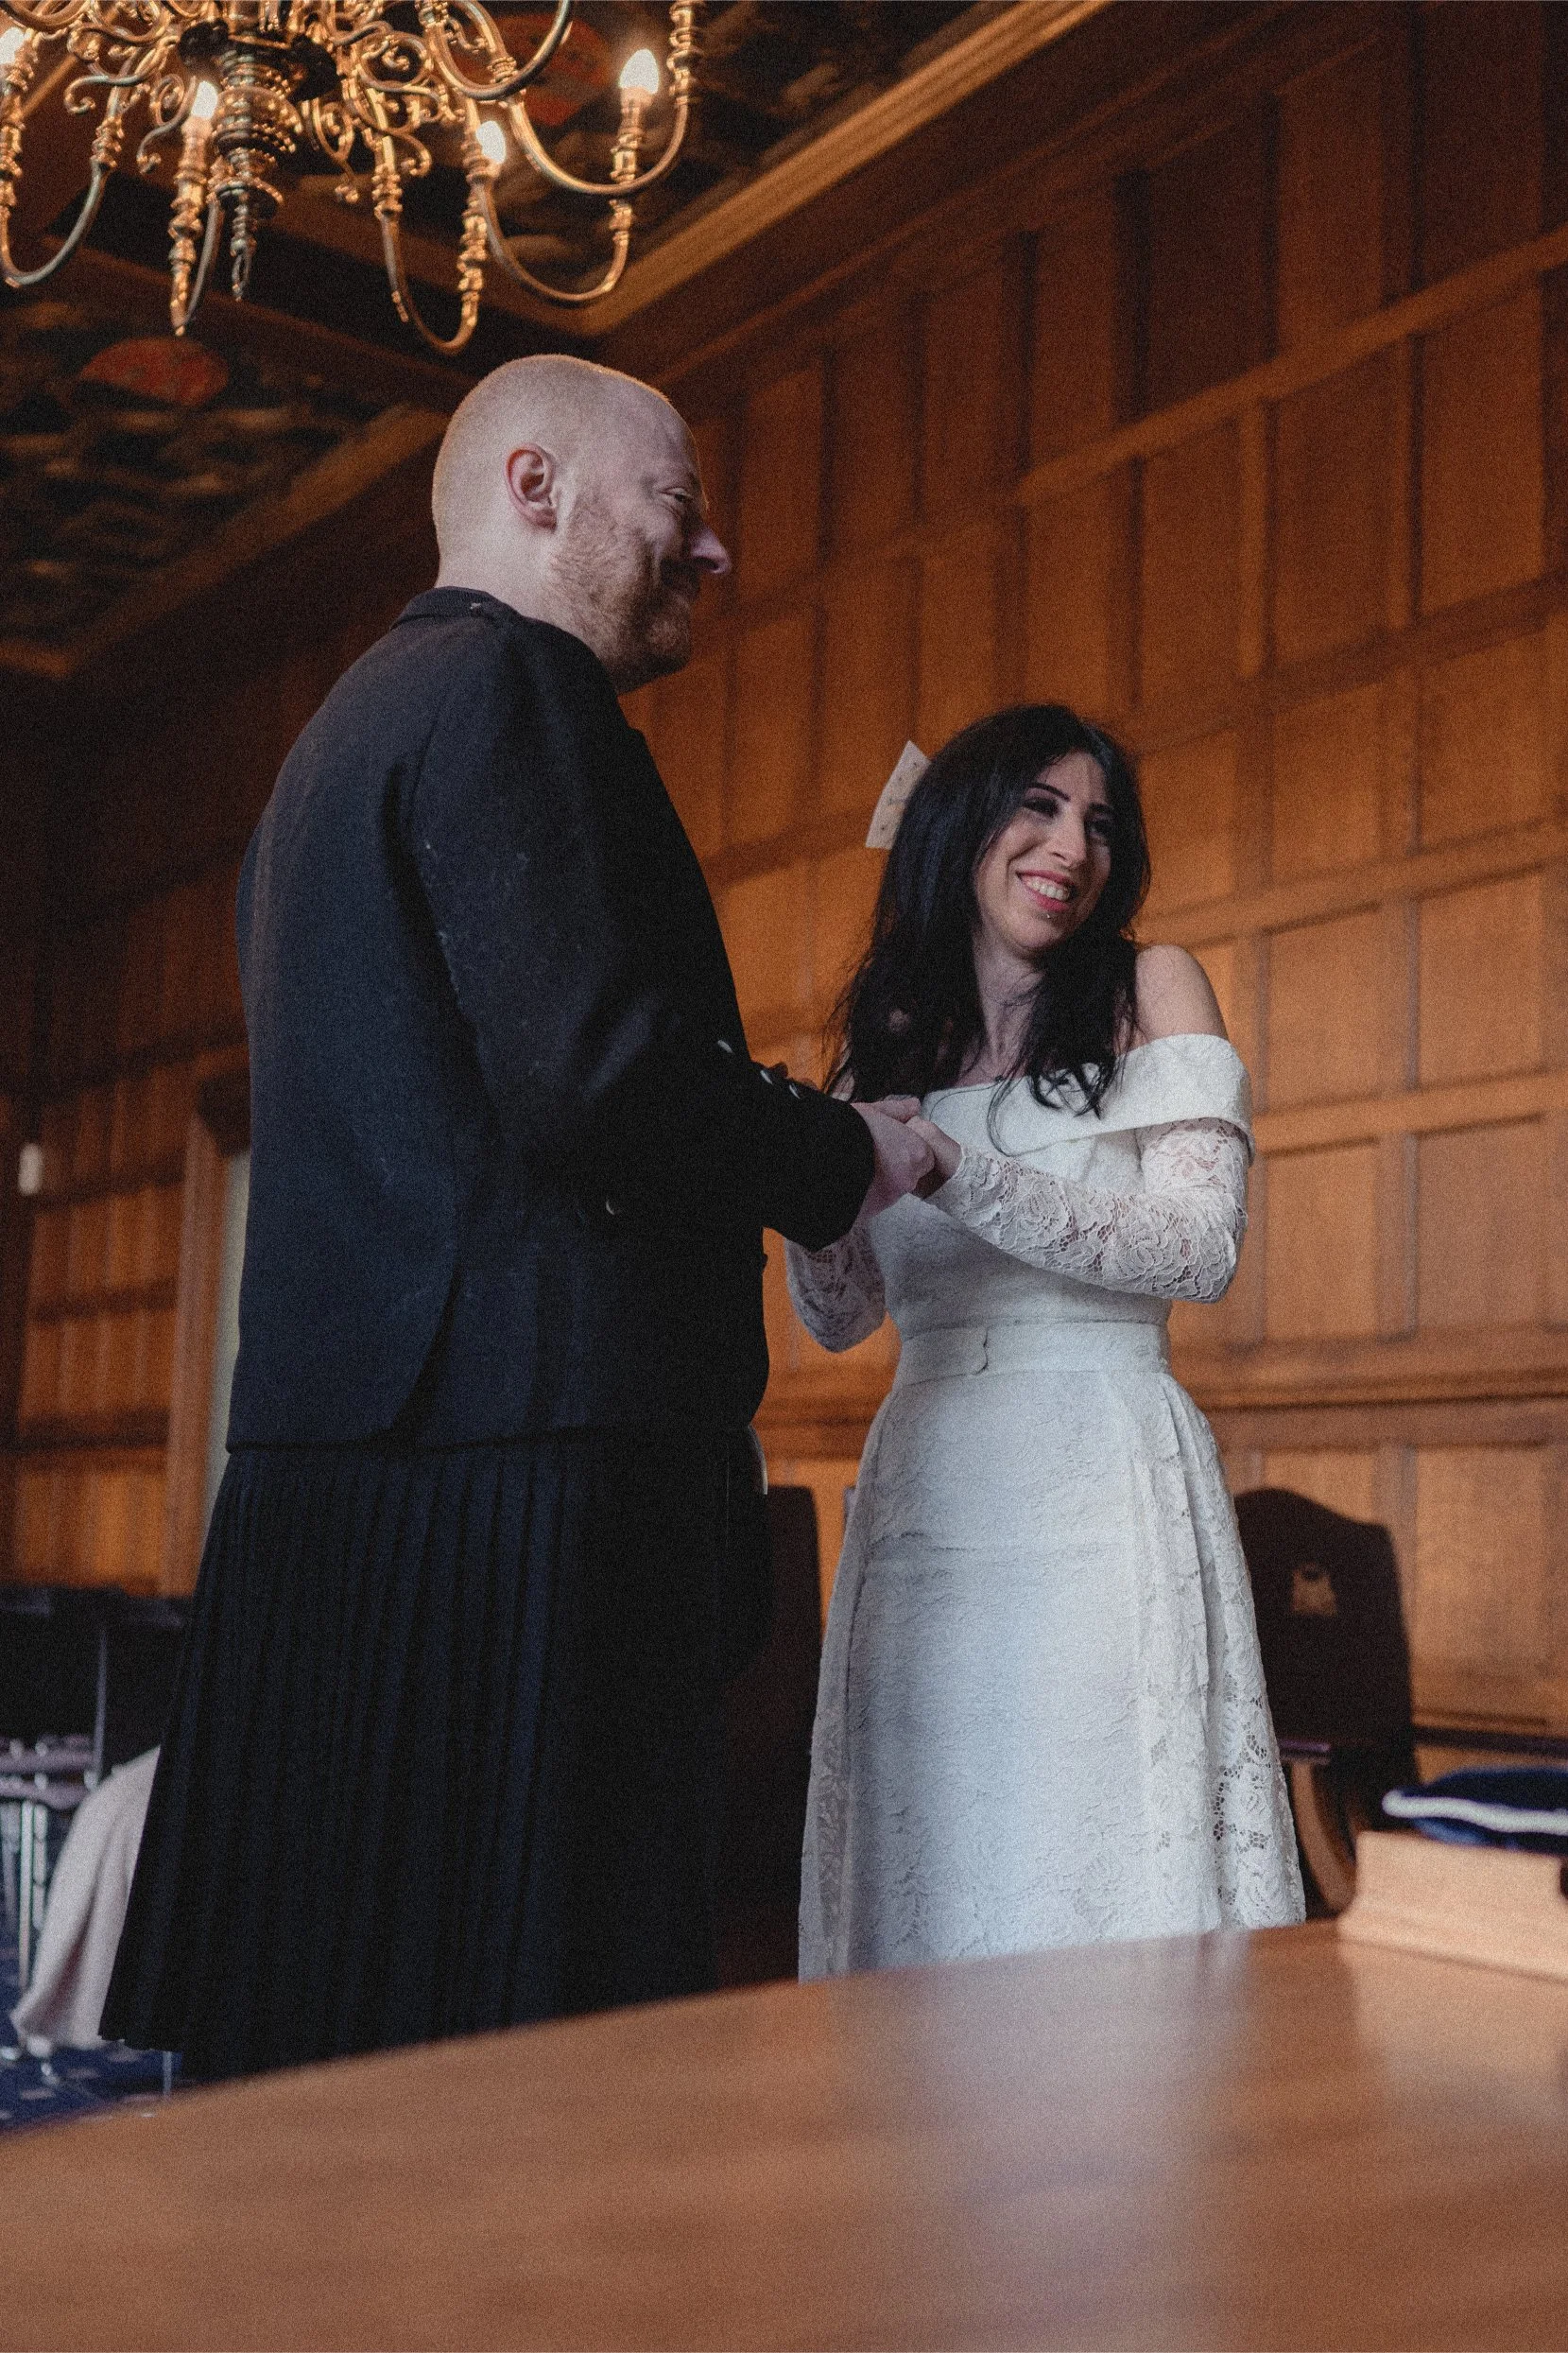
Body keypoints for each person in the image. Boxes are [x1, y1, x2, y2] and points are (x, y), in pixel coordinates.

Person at [101, 355, 932, 2080]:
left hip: (335, 1483)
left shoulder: (334, 743)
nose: (710, 551)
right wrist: (836, 1149)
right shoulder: (515, 690)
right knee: (538, 2061)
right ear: (535, 487)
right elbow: (595, 1075)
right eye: (678, 504)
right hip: (526, 1475)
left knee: (334, 2035)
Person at [787, 704, 1304, 1977]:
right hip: (926, 1486)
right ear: (961, 823)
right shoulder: (889, 1033)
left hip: (1101, 1464)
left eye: (1098, 823)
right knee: (933, 1844)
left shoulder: (1152, 985)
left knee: (1103, 1837)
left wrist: (953, 1170)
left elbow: (1196, 1251)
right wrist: (813, 1181)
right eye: (1039, 806)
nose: (1072, 846)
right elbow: (840, 1318)